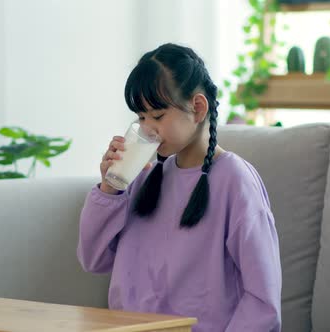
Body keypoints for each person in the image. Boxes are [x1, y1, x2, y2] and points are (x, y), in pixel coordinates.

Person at [77, 43, 282, 331]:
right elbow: (93, 260)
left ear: (198, 108)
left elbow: (263, 302)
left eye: (158, 116)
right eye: (141, 117)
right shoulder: (144, 176)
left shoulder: (235, 180)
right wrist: (109, 189)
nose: (148, 128)